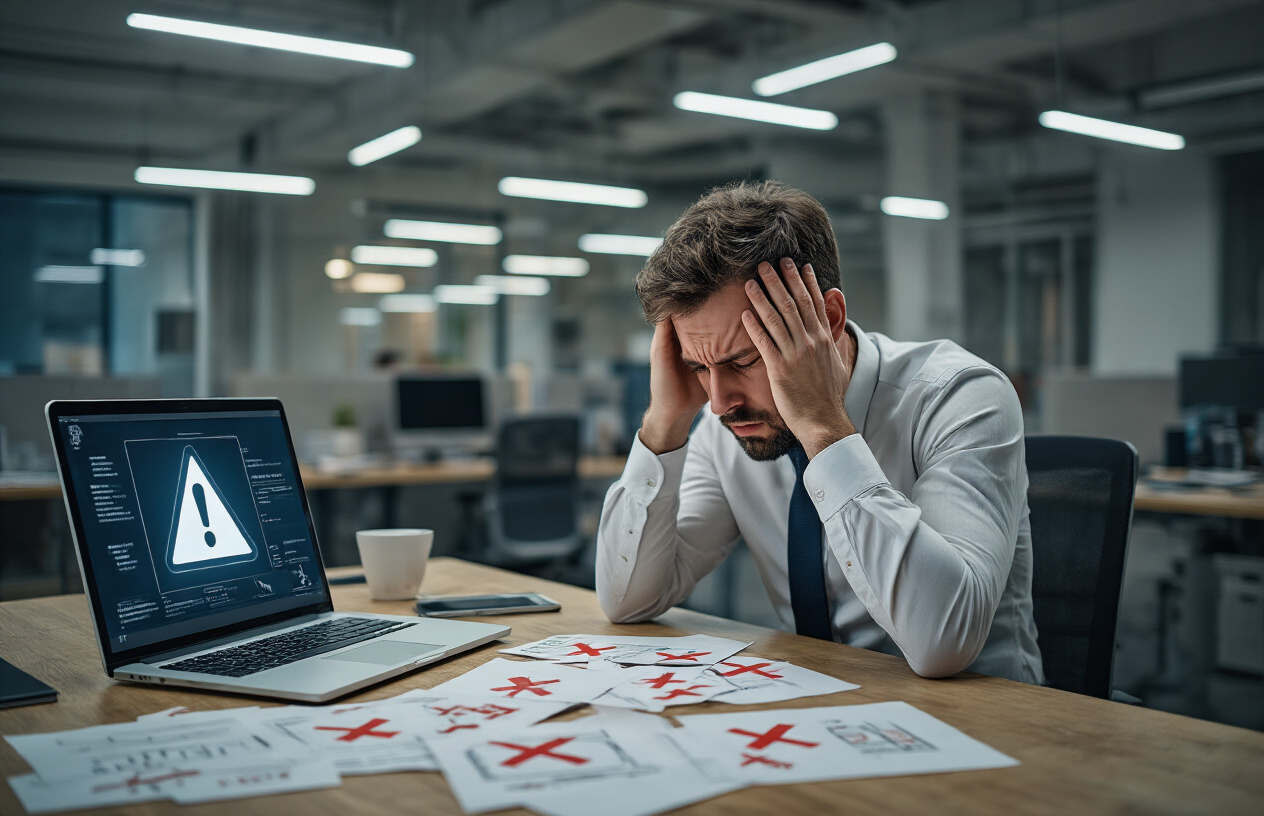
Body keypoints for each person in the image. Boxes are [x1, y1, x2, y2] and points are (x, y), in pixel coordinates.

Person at [595, 181, 1044, 683]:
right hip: (818, 705)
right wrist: (665, 421)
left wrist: (823, 427)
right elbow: (629, 601)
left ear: (827, 319)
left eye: (745, 360)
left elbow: (943, 642)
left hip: (988, 724)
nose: (719, 402)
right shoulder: (727, 424)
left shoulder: (958, 395)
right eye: (698, 366)